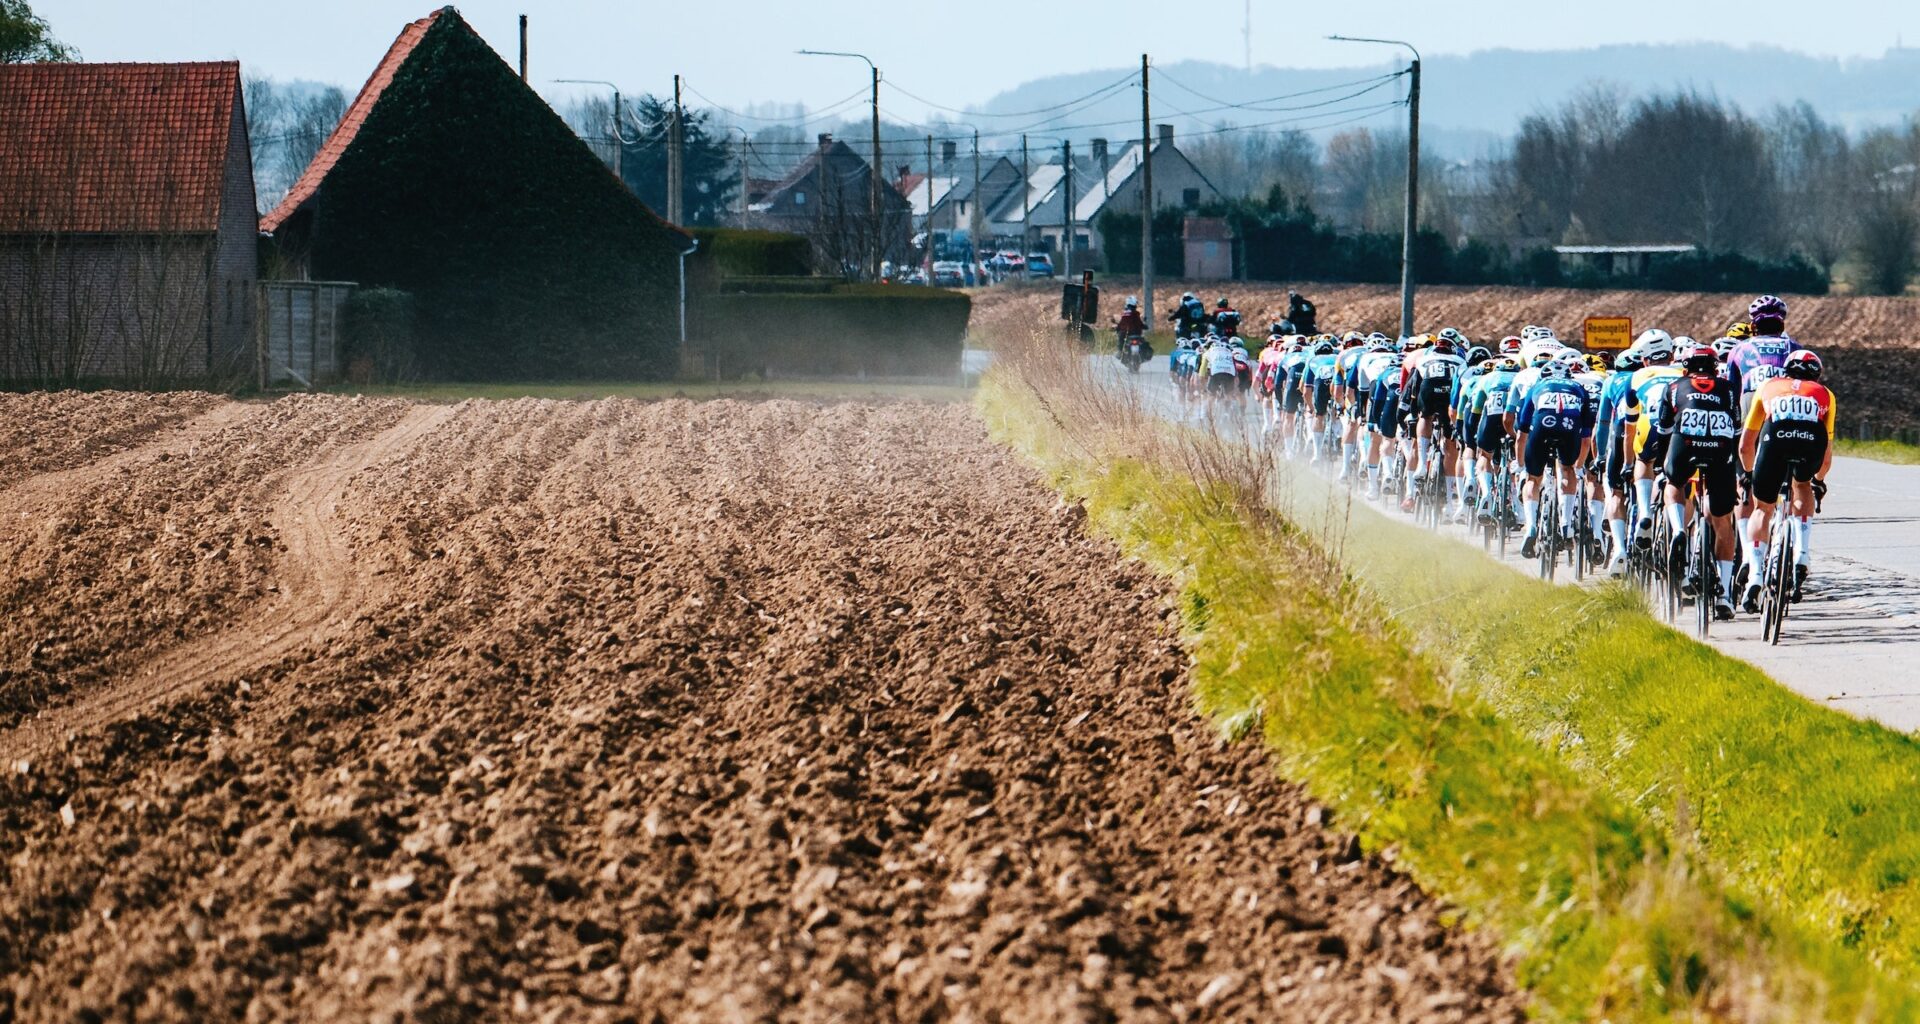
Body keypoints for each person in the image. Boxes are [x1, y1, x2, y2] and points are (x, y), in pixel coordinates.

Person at [1655, 342, 1743, 620]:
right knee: (1722, 520)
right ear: (1715, 368)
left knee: (1674, 484)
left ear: (1686, 367)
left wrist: (1662, 464)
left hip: (1686, 444)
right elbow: (1738, 429)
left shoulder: (1672, 388)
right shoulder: (1729, 389)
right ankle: (1726, 594)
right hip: (1720, 451)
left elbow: (1664, 430)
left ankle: (1679, 528)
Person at [1740, 350, 1835, 609]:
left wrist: (1749, 474)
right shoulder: (1825, 394)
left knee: (1763, 507)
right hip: (1810, 441)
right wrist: (1818, 480)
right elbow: (1826, 454)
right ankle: (1802, 554)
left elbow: (1746, 445)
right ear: (1816, 374)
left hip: (1775, 440)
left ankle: (1756, 575)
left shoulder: (1768, 386)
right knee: (1802, 485)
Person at [1506, 357, 1595, 560]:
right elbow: (1586, 438)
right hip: (1569, 429)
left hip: (1541, 427)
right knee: (1567, 471)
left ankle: (1530, 527)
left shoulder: (1537, 387)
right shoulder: (1579, 388)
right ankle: (1566, 524)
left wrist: (1520, 465)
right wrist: (1579, 466)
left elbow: (1521, 434)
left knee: (1532, 479)